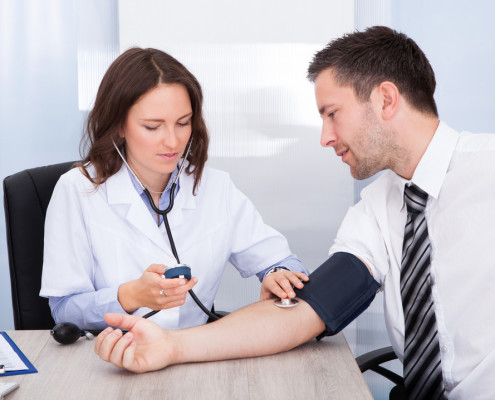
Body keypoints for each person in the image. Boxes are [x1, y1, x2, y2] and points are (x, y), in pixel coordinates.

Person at [94, 27, 495, 399]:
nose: (325, 137)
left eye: (332, 113)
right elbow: (307, 311)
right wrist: (170, 346)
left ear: (386, 100)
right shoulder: (377, 209)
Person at [40, 47, 309, 331]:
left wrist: (278, 274)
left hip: (191, 356)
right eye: (153, 127)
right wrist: (129, 295)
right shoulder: (77, 190)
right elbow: (64, 311)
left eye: (183, 123)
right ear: (119, 125)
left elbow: (283, 261)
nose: (172, 142)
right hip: (112, 361)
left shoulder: (215, 188)